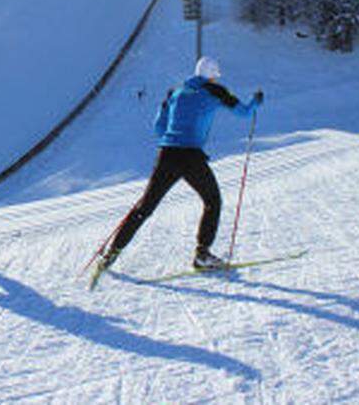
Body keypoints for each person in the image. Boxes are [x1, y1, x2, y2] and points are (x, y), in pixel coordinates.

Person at [98, 57, 262, 274]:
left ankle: (111, 254)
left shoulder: (175, 92)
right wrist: (256, 101)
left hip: (166, 154)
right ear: (212, 75)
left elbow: (158, 127)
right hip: (191, 156)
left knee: (145, 207)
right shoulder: (216, 91)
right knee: (212, 200)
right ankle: (202, 255)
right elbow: (244, 112)